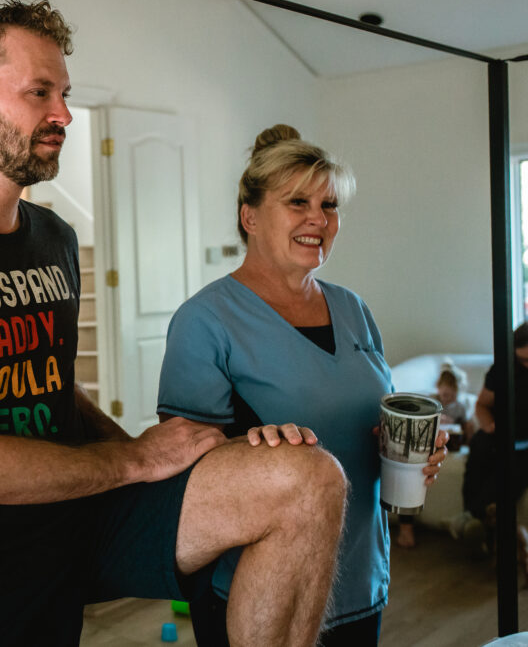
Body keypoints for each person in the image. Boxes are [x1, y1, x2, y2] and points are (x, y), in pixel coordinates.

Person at [0, 0, 348, 647]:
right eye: (39, 92)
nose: (62, 114)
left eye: (64, 94)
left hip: (86, 516)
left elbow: (53, 386)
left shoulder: (54, 237)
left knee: (308, 480)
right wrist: (132, 458)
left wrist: (159, 457)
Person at [157, 125, 449, 646]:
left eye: (330, 205)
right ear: (250, 216)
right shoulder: (206, 321)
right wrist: (253, 452)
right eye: (298, 202)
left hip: (359, 575)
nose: (319, 218)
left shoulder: (354, 310)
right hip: (257, 593)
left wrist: (405, 453)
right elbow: (184, 468)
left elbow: (365, 427)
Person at [457, 324, 528, 564]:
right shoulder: (503, 369)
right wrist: (489, 426)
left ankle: (474, 518)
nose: (525, 364)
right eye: (521, 359)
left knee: (515, 463)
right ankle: (477, 517)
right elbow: (482, 405)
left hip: (525, 442)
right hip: (500, 432)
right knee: (479, 448)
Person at [398, 360, 469, 548]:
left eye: (451, 395)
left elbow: (467, 431)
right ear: (438, 388)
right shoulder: (430, 402)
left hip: (449, 443)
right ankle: (406, 528)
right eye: (444, 394)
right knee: (411, 475)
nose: (447, 398)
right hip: (426, 443)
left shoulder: (460, 408)